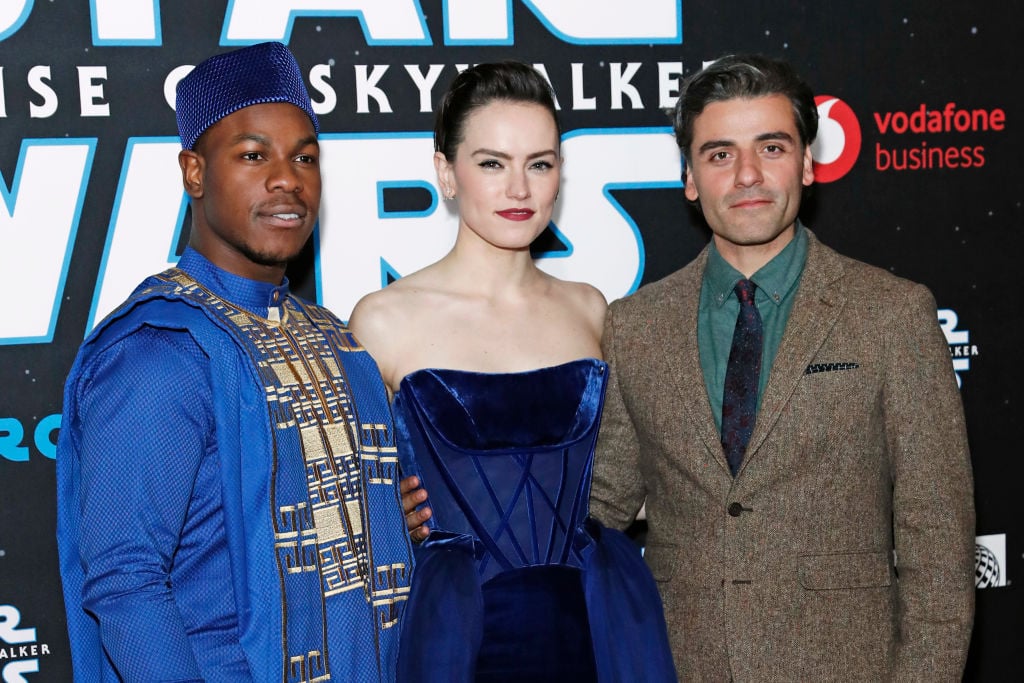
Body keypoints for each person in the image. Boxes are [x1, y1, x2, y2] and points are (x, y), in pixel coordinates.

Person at [589, 53, 976, 680]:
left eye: (771, 148)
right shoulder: (634, 324)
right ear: (690, 178)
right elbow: (599, 507)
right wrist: (457, 511)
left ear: (806, 163)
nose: (747, 175)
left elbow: (939, 543)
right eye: (719, 155)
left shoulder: (892, 314)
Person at [55, 42, 414, 682]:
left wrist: (390, 520)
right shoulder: (157, 352)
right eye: (253, 155)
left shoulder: (333, 338)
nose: (287, 178)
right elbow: (124, 581)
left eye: (306, 157)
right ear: (194, 173)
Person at [350, 61, 676, 682]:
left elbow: (628, 471)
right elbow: (349, 502)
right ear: (447, 173)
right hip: (459, 636)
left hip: (594, 624)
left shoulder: (590, 309)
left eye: (540, 163)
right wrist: (388, 513)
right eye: (492, 163)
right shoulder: (383, 320)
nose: (520, 190)